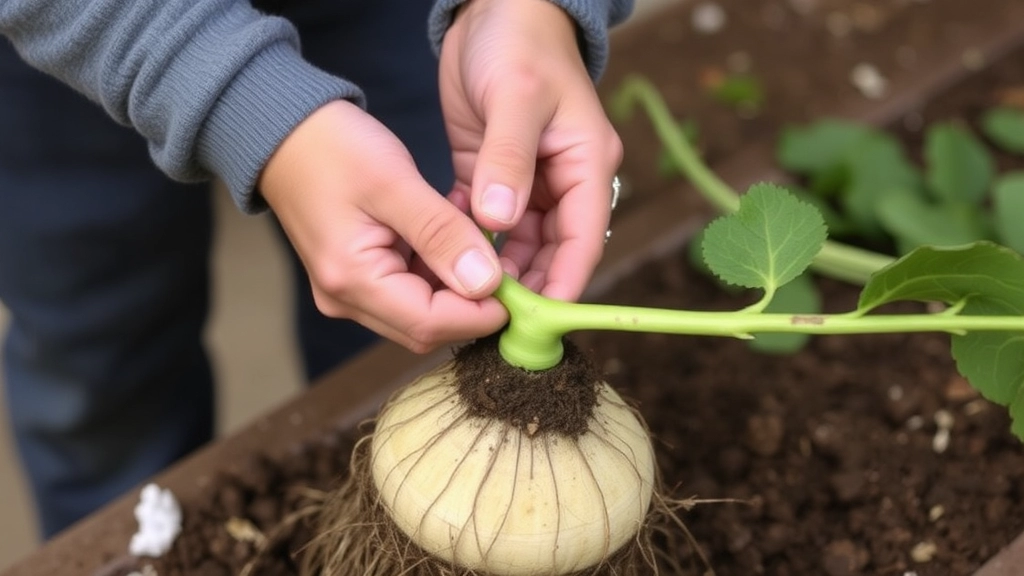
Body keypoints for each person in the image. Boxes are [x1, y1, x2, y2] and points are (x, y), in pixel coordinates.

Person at [0, 0, 633, 539]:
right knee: (99, 362)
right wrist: (235, 97)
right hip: (69, 35)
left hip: (391, 17)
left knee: (395, 319)